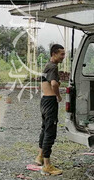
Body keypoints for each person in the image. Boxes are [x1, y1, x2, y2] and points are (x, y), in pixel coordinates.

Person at [35, 44, 65, 176]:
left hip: (44, 100)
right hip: (50, 101)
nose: (63, 57)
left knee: (45, 129)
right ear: (54, 54)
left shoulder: (47, 65)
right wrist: (58, 95)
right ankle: (47, 165)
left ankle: (40, 156)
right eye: (61, 54)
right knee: (50, 132)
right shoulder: (53, 67)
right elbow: (53, 84)